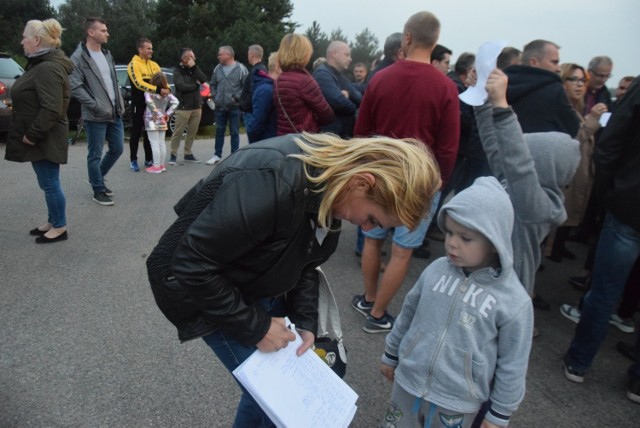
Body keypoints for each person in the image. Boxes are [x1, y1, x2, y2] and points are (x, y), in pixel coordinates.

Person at [146, 132, 442, 427]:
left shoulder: (334, 181)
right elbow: (189, 264)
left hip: (253, 276)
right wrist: (257, 326)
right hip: (207, 290)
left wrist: (305, 319)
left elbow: (305, 259)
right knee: (280, 401)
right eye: (373, 219)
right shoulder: (272, 180)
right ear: (362, 182)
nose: (365, 228)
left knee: (265, 394)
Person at [380, 176, 533, 428]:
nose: (452, 242)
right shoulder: (436, 269)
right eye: (449, 231)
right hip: (408, 379)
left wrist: (500, 413)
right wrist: (391, 353)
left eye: (466, 237)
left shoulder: (513, 301)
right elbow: (408, 313)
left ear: (495, 242)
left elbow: (513, 362)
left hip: (458, 402)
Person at [352, 11, 459, 334]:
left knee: (372, 239)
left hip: (380, 175)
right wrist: (439, 180)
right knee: (402, 250)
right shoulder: (445, 87)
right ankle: (379, 313)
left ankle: (369, 299)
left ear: (407, 38)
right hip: (421, 181)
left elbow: (361, 133)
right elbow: (448, 145)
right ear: (435, 42)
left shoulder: (380, 78)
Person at [475, 68, 580, 326]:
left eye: (528, 153)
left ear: (541, 167)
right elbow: (493, 144)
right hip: (481, 283)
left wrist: (501, 106)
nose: (519, 156)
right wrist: (481, 102)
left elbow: (517, 160)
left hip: (504, 299)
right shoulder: (513, 182)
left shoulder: (536, 208)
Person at [562, 78, 640, 400]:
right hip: (628, 202)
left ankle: (579, 362)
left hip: (628, 203)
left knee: (605, 289)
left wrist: (611, 191)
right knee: (605, 290)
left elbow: (611, 141)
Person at [5, 18, 72, 243]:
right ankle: (53, 220)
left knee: (50, 183)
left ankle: (60, 227)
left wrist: (32, 134)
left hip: (44, 136)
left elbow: (52, 108)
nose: (22, 41)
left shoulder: (47, 67)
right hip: (42, 135)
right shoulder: (40, 64)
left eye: (25, 37)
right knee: (47, 182)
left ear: (36, 40)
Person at [545, 63, 605, 263]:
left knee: (568, 213)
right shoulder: (559, 108)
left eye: (582, 80)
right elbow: (573, 140)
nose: (579, 85)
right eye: (573, 79)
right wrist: (594, 120)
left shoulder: (578, 107)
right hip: (563, 173)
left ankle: (557, 248)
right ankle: (549, 250)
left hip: (578, 171)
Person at [69, 17, 125, 206]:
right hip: (95, 114)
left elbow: (113, 82)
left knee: (117, 148)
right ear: (90, 32)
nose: (107, 33)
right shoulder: (78, 57)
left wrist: (120, 103)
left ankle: (97, 178)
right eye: (103, 30)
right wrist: (94, 105)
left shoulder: (107, 54)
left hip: (114, 111)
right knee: (95, 153)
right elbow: (74, 86)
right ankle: (98, 190)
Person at [504, 39, 580, 137]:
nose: (558, 68)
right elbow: (572, 128)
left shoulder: (500, 85)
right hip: (542, 150)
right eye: (554, 62)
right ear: (534, 62)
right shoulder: (554, 89)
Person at [273, 34, 334, 135]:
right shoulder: (304, 81)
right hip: (304, 139)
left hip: (284, 138)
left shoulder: (278, 80)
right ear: (304, 54)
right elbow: (327, 115)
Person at [128, 38, 166, 172]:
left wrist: (167, 90)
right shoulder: (133, 64)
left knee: (151, 131)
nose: (151, 51)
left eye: (151, 48)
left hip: (152, 106)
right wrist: (156, 90)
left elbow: (162, 82)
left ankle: (149, 159)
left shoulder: (154, 65)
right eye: (148, 48)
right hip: (139, 104)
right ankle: (133, 159)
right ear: (140, 49)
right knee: (136, 132)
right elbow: (138, 83)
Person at [206, 46, 248, 165]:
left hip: (235, 107)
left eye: (220, 54)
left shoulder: (241, 69)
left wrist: (236, 99)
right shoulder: (217, 69)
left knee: (234, 131)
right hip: (220, 106)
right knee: (219, 130)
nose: (218, 56)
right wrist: (215, 96)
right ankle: (216, 155)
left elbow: (246, 87)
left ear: (229, 55)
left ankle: (234, 156)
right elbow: (213, 84)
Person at [313, 40, 361, 138]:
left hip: (342, 135)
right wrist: (355, 109)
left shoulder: (339, 75)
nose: (350, 59)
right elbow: (339, 102)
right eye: (347, 55)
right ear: (334, 54)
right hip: (331, 138)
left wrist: (349, 94)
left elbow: (360, 97)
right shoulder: (322, 74)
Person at [169, 48, 207, 165]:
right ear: (185, 58)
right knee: (178, 132)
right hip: (184, 107)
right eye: (192, 56)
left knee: (192, 131)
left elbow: (203, 79)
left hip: (197, 106)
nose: (194, 59)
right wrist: (195, 87)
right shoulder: (177, 71)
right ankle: (173, 154)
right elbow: (181, 86)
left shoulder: (195, 69)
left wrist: (194, 68)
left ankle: (188, 153)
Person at [143, 72, 179, 173]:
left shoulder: (149, 91)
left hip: (151, 119)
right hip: (163, 119)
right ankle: (162, 165)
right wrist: (167, 114)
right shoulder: (168, 93)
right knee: (161, 143)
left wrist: (155, 112)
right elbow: (176, 102)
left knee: (154, 143)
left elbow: (148, 101)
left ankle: (156, 166)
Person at [246, 52, 280, 143]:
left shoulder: (271, 87)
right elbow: (255, 125)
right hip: (267, 143)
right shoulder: (266, 90)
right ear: (278, 67)